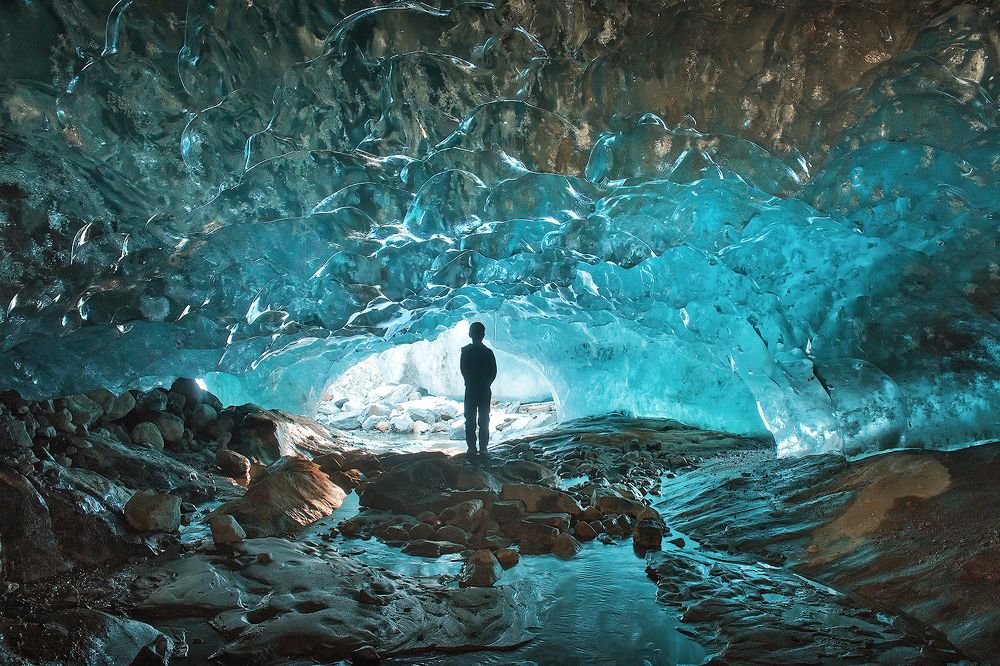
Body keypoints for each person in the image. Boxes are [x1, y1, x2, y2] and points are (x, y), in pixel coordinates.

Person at [460, 321, 497, 455]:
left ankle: (471, 447)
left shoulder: (465, 351)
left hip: (470, 388)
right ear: (483, 335)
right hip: (484, 389)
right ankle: (483, 448)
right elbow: (493, 372)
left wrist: (470, 381)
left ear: (470, 334)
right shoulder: (488, 352)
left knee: (469, 418)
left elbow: (463, 369)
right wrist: (486, 384)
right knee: (484, 418)